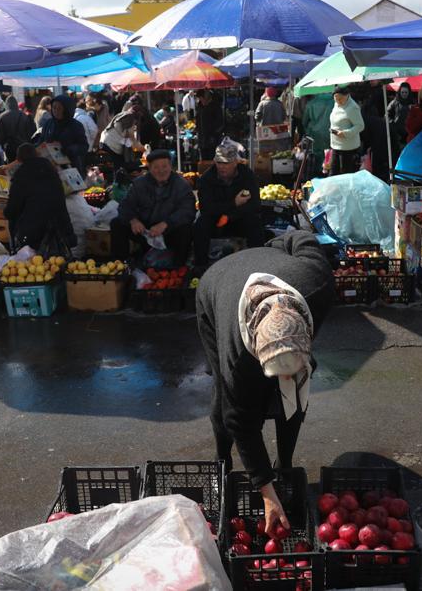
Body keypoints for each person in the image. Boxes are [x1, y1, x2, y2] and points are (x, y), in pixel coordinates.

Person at [196, 230, 334, 531]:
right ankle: (221, 461)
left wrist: (271, 250)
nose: (284, 378)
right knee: (227, 397)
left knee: (294, 393)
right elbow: (240, 421)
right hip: (217, 286)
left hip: (274, 271)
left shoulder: (316, 281)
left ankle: (285, 463)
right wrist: (266, 492)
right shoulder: (238, 353)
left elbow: (299, 236)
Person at [111, 149, 194, 265]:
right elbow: (125, 205)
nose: (161, 171)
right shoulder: (139, 184)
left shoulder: (181, 184)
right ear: (149, 169)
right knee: (117, 223)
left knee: (185, 229)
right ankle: (121, 265)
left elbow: (188, 210)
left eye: (164, 166)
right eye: (156, 167)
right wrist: (133, 220)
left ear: (171, 166)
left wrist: (166, 224)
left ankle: (178, 267)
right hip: (145, 230)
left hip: (169, 230)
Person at [194, 138, 263, 271]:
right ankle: (200, 266)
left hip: (237, 217)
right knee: (200, 225)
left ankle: (258, 262)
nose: (222, 166)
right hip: (215, 219)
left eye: (226, 163)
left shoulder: (247, 175)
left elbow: (254, 204)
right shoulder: (206, 179)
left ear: (235, 162)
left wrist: (229, 216)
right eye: (219, 162)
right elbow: (206, 208)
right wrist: (234, 203)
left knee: (254, 221)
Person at [4, 143, 76, 253]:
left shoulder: (20, 175)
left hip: (34, 231)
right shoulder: (52, 170)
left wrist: (7, 213)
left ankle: (16, 250)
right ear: (37, 154)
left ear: (18, 159)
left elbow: (13, 208)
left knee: (12, 219)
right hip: (60, 225)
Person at [44, 94, 89, 174]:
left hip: (70, 167)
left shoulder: (76, 125)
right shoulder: (49, 123)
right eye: (54, 107)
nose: (56, 111)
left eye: (59, 108)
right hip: (50, 167)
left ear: (67, 109)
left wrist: (70, 149)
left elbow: (84, 146)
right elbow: (42, 140)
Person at [328, 86, 364, 176]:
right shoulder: (337, 103)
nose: (338, 101)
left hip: (348, 149)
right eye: (335, 99)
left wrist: (345, 133)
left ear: (347, 95)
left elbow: (360, 126)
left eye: (340, 99)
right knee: (333, 173)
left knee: (346, 175)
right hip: (335, 146)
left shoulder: (353, 107)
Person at [360, 96, 391, 182]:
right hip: (383, 148)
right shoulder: (381, 120)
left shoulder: (364, 119)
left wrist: (363, 151)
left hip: (373, 148)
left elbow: (365, 137)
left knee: (374, 171)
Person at [301, 93, 334, 174]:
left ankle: (319, 173)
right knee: (330, 154)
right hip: (331, 132)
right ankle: (328, 172)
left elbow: (304, 121)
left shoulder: (311, 103)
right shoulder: (335, 102)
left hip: (315, 133)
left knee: (317, 154)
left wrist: (306, 130)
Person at [0, 95, 34, 163]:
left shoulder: (2, 116)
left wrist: (4, 147)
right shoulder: (24, 115)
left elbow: (1, 136)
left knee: (12, 168)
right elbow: (29, 133)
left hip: (10, 148)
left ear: (7, 104)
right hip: (23, 147)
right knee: (23, 166)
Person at [196, 90, 224, 160]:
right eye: (200, 99)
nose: (201, 101)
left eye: (202, 99)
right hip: (202, 140)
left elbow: (220, 124)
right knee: (204, 160)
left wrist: (213, 135)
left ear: (206, 97)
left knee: (212, 159)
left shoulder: (215, 107)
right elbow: (198, 121)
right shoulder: (200, 107)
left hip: (212, 140)